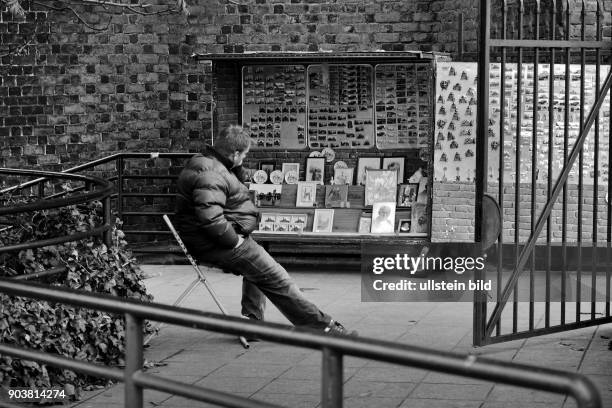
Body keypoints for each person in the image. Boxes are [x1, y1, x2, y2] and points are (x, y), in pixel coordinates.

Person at [174, 125, 355, 336]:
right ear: (234, 154)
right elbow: (211, 217)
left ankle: (253, 324)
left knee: (258, 268)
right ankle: (324, 329)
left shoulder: (211, 164)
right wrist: (235, 242)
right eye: (244, 155)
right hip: (217, 243)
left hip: (212, 239)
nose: (244, 158)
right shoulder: (212, 174)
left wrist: (236, 169)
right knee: (277, 278)